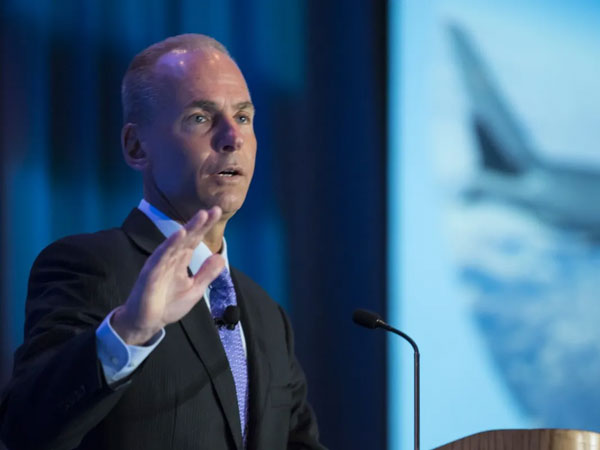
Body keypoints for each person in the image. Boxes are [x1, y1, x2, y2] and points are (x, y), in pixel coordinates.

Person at [0, 34, 326, 450]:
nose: (233, 137)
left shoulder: (267, 316)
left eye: (243, 117)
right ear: (137, 146)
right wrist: (129, 332)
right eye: (200, 118)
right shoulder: (91, 267)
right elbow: (24, 431)